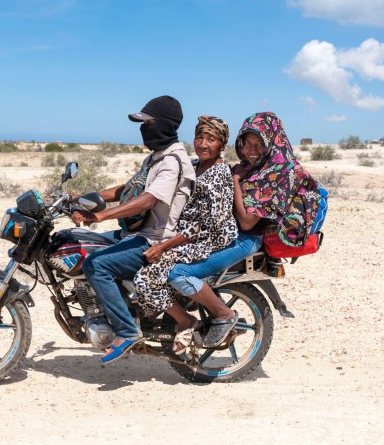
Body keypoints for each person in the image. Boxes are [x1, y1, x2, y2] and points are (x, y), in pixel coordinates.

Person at [156, 111, 322, 348]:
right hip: (223, 232)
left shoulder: (278, 174)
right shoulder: (250, 167)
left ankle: (224, 314)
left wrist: (234, 181)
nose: (251, 150)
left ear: (271, 143)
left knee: (177, 272)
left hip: (245, 238)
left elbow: (246, 222)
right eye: (247, 144)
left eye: (258, 144)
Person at [71, 95, 195, 364]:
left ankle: (127, 331)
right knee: (79, 242)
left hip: (155, 239)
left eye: (147, 122)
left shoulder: (172, 161)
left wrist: (101, 215)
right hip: (135, 234)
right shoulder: (155, 157)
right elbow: (125, 190)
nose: (143, 128)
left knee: (96, 265)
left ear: (164, 124)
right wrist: (79, 197)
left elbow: (149, 198)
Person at [133, 115, 239, 354]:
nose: (203, 144)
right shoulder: (193, 164)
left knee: (146, 276)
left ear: (222, 145)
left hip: (207, 238)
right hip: (182, 232)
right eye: (200, 137)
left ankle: (186, 320)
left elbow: (206, 225)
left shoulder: (219, 175)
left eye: (211, 139)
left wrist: (164, 246)